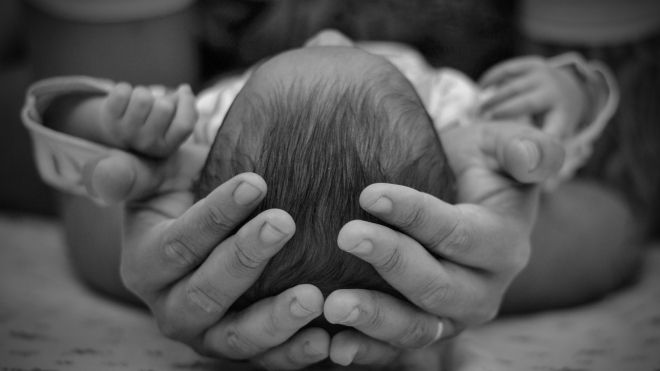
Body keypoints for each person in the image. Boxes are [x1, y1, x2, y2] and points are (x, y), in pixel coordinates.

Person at [23, 30, 622, 369]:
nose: (328, 33)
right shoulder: (450, 116)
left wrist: (107, 121)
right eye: (363, 58)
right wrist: (571, 90)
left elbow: (64, 136)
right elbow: (565, 152)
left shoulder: (207, 128)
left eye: (309, 52)